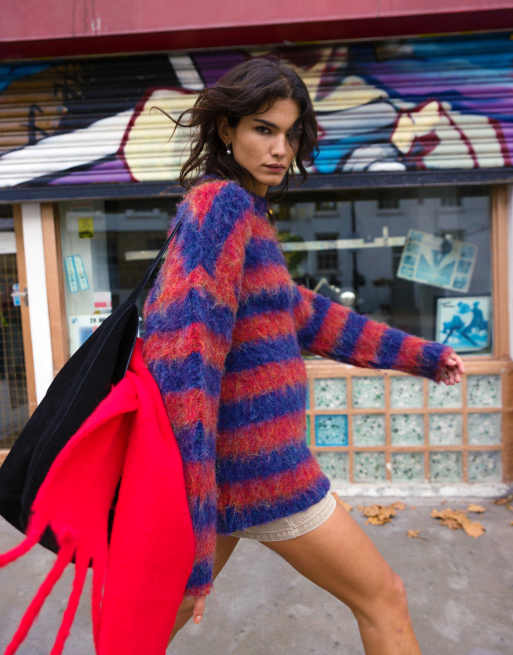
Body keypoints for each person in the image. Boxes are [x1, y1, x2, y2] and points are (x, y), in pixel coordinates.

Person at [142, 57, 464, 655]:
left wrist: (423, 355)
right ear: (227, 129)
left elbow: (306, 315)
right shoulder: (221, 207)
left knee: (160, 618)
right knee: (384, 597)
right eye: (264, 129)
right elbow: (185, 359)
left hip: (235, 470)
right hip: (262, 470)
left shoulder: (246, 215)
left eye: (290, 135)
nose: (280, 149)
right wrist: (194, 507)